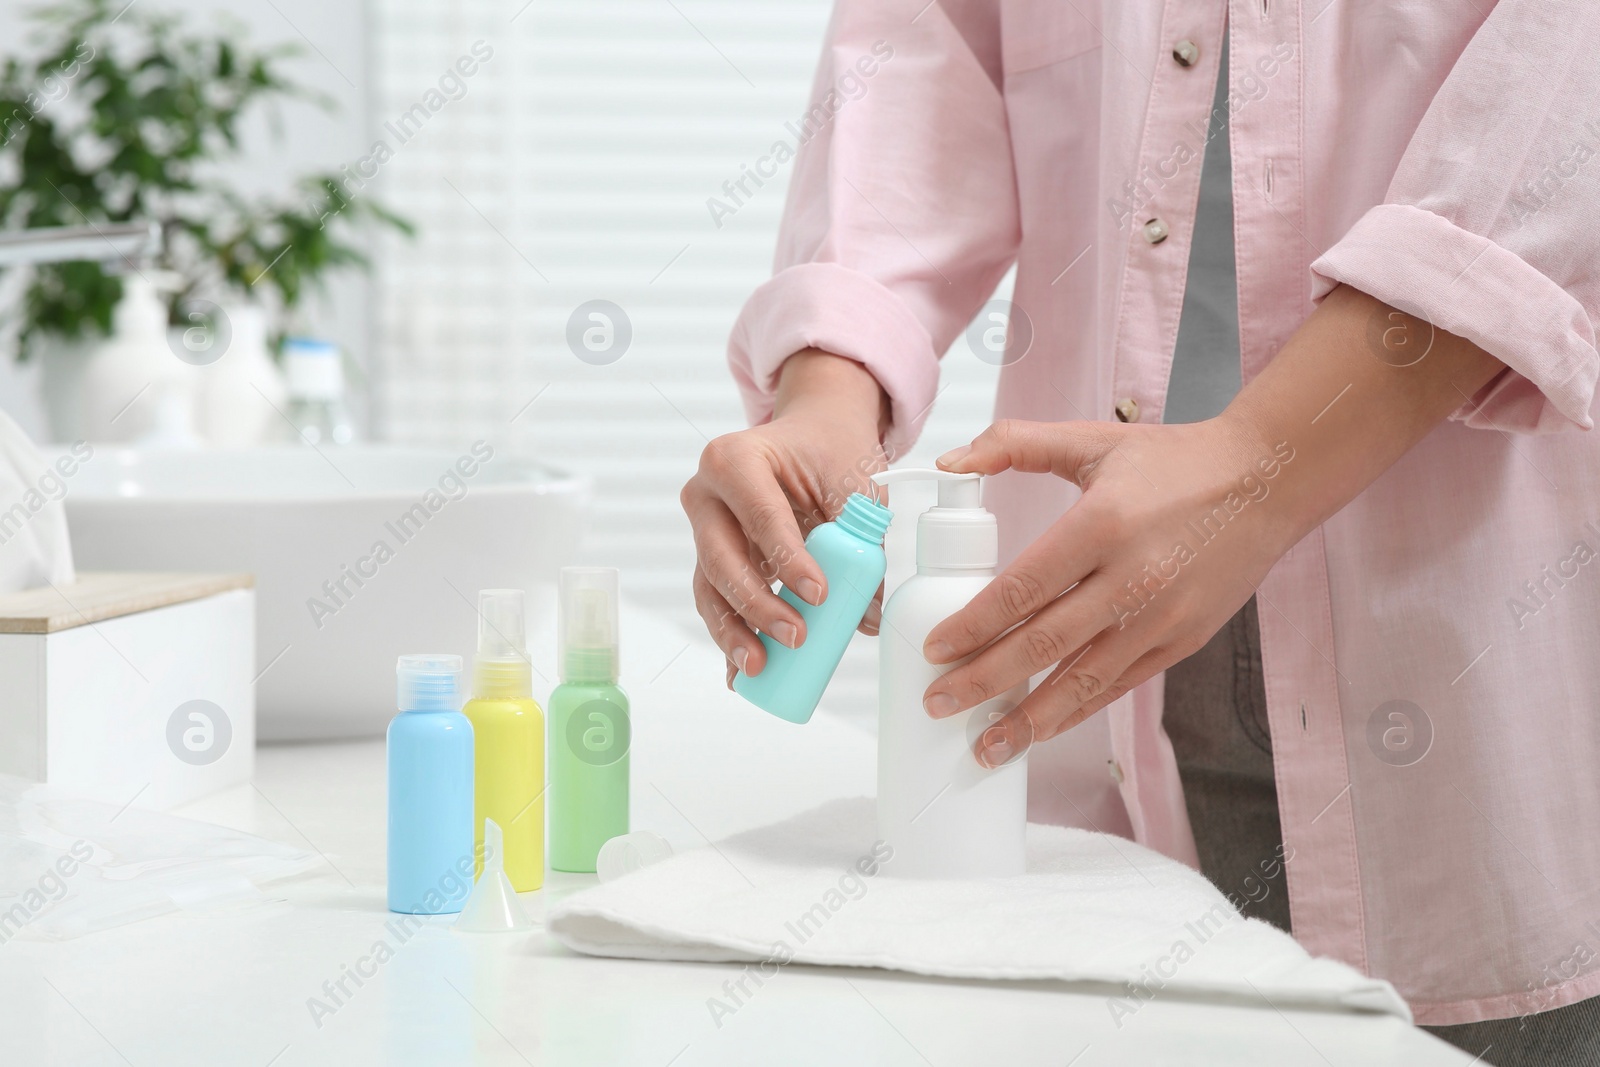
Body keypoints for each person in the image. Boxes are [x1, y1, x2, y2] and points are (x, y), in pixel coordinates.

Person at [679, 3, 1600, 1062]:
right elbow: (922, 55)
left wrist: (1259, 466)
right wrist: (827, 392)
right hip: (1107, 667)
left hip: (1478, 665)